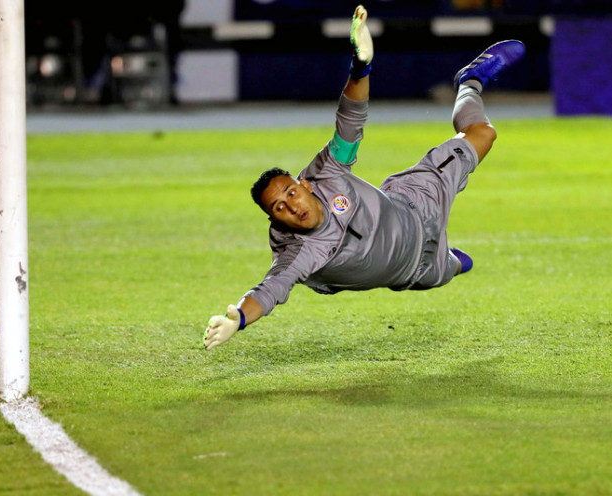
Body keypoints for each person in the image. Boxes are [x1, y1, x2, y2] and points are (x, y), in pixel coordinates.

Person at [203, 5, 526, 350]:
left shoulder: (327, 172)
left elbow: (351, 119)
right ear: (274, 219)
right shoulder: (297, 252)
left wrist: (360, 69)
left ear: (305, 184)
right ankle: (450, 259)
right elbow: (269, 290)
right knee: (454, 267)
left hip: (415, 203)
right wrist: (237, 317)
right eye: (279, 207)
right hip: (414, 270)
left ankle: (469, 82)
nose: (291, 207)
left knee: (483, 135)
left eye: (291, 193)